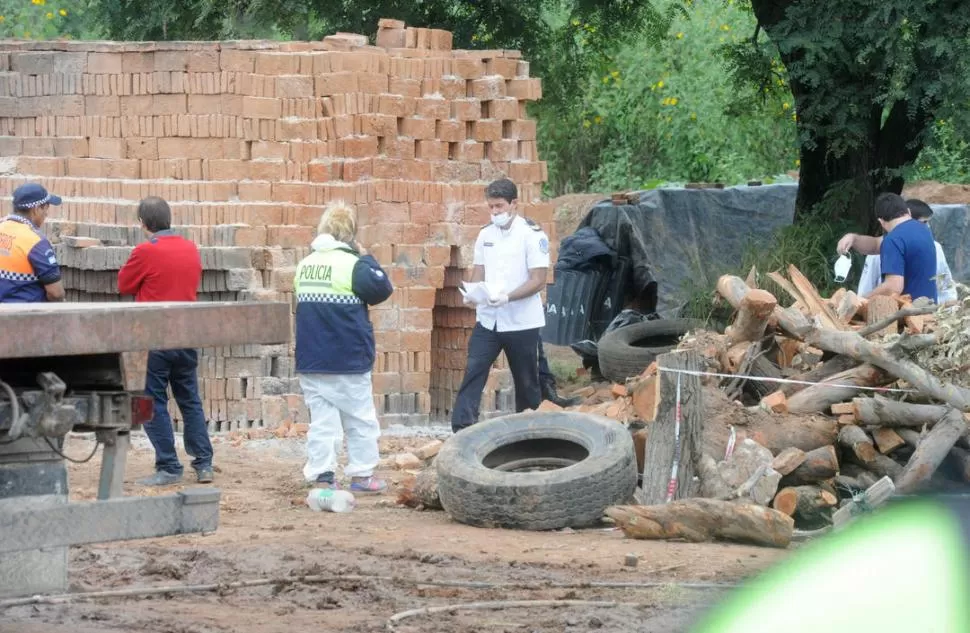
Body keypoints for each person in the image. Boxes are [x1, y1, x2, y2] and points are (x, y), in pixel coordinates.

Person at [294, 200, 393, 494]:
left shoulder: (305, 264)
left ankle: (324, 477)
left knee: (322, 423)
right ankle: (362, 476)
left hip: (311, 359)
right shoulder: (353, 266)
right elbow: (382, 289)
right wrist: (365, 256)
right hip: (348, 359)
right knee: (360, 420)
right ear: (351, 234)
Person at [118, 196, 214, 486]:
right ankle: (204, 464)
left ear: (143, 223)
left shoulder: (145, 251)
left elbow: (124, 285)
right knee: (189, 400)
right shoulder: (190, 248)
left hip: (154, 337)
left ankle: (169, 467)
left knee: (149, 400)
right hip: (186, 335)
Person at [451, 178, 550, 432]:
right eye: (491, 207)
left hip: (521, 321)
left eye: (499, 206)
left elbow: (538, 279)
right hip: (489, 319)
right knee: (474, 369)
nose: (495, 212)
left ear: (514, 204)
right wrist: (472, 293)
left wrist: (508, 297)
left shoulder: (532, 234)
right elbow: (479, 270)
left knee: (526, 381)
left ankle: (529, 430)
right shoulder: (486, 234)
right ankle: (462, 428)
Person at [837, 192, 937, 303]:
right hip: (929, 308)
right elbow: (875, 244)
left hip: (909, 314)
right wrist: (854, 238)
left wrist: (861, 300)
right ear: (908, 212)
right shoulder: (923, 229)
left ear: (881, 222)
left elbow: (893, 287)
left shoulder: (893, 240)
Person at [852, 198, 957, 303]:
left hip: (925, 311)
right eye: (924, 222)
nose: (927, 227)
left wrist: (949, 306)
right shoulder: (879, 252)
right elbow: (866, 286)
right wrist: (861, 303)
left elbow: (945, 284)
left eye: (928, 222)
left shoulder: (935, 247)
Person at [0, 182, 65, 303]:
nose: (46, 213)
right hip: (26, 317)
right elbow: (56, 293)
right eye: (46, 208)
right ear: (36, 209)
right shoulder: (36, 243)